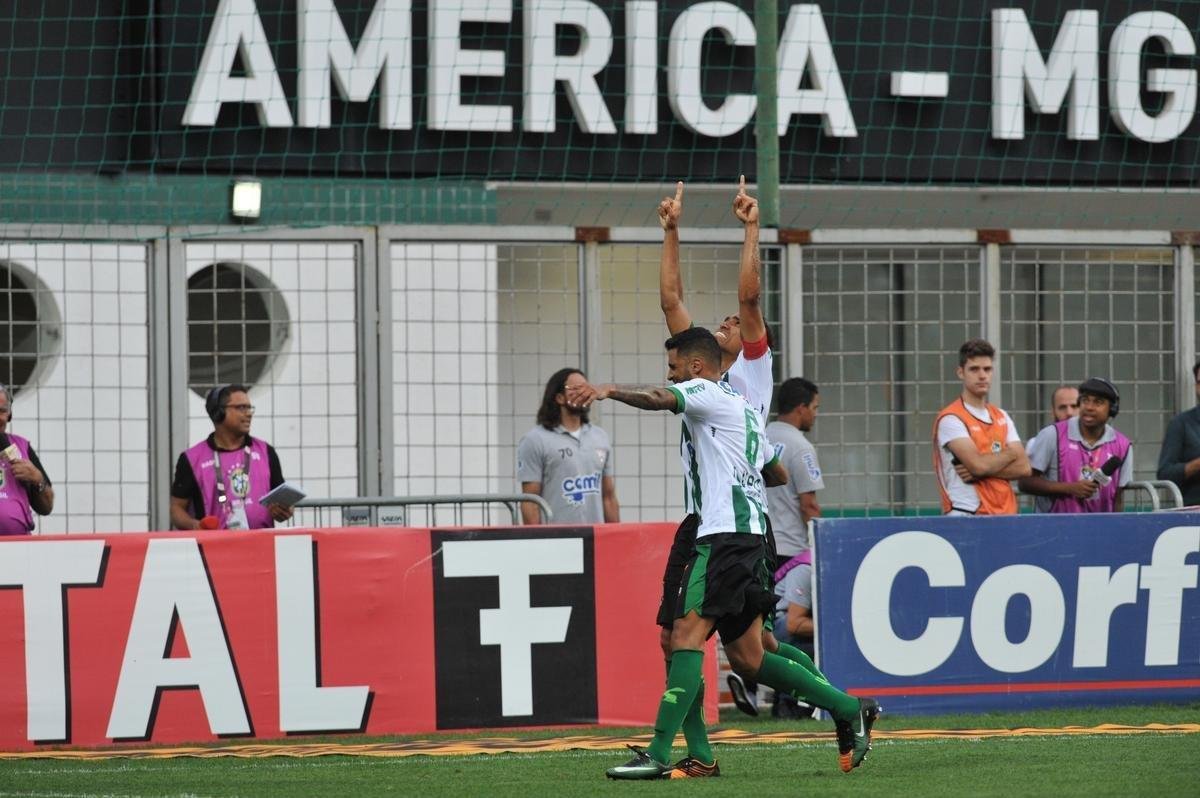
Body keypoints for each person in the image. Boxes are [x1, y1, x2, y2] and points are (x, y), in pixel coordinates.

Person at [566, 327, 879, 779]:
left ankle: (658, 752)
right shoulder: (746, 411)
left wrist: (607, 390)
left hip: (722, 534)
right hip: (752, 535)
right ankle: (847, 708)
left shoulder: (705, 391)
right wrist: (735, 468)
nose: (670, 375)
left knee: (685, 637)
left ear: (695, 368)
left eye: (674, 368)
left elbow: (659, 398)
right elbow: (774, 472)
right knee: (752, 658)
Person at [658, 177, 781, 722]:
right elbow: (671, 301)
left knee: (756, 654)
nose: (729, 320)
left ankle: (838, 705)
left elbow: (750, 296)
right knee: (677, 637)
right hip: (702, 514)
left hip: (742, 519)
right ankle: (695, 751)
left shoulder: (752, 373)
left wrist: (752, 226)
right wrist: (671, 231)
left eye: (735, 322)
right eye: (723, 321)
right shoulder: (699, 370)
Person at [170, 384, 293, 530]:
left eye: (249, 408)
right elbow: (176, 508)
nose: (249, 413)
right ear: (218, 413)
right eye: (241, 408)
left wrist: (285, 510)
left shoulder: (266, 452)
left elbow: (283, 501)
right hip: (215, 548)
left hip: (261, 547)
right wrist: (195, 526)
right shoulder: (191, 459)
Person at [933, 339, 1031, 515]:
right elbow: (978, 466)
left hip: (1005, 513)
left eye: (987, 369)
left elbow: (1024, 468)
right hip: (966, 512)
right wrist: (1009, 454)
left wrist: (983, 469)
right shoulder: (951, 418)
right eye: (974, 369)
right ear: (960, 373)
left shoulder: (1002, 416)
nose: (982, 375)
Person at [516, 367, 619, 525]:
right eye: (576, 389)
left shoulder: (600, 437)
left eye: (586, 388)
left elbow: (609, 497)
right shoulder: (534, 440)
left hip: (596, 538)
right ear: (559, 398)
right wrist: (537, 543)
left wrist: (616, 538)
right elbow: (530, 502)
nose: (584, 393)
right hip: (558, 541)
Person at [1019, 378, 1133, 513]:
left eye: (1098, 402)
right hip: (1054, 529)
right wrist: (1070, 488)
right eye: (1085, 400)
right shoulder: (1052, 434)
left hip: (1102, 530)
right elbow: (1025, 482)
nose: (1089, 407)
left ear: (1112, 409)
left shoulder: (1123, 445)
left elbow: (1118, 497)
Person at [765, 378, 823, 563]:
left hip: (760, 543)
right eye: (814, 407)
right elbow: (809, 505)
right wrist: (822, 543)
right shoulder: (801, 447)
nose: (815, 415)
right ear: (801, 408)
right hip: (790, 549)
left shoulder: (761, 437)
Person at [0, 384, 54, 535]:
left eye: (2, 411)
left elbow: (47, 507)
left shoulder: (21, 447)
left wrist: (37, 480)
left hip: (20, 548)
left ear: (9, 415)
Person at [1157, 359, 1200, 506]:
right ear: (1196, 387)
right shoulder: (1181, 423)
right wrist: (1196, 465)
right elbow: (1164, 473)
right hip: (1194, 513)